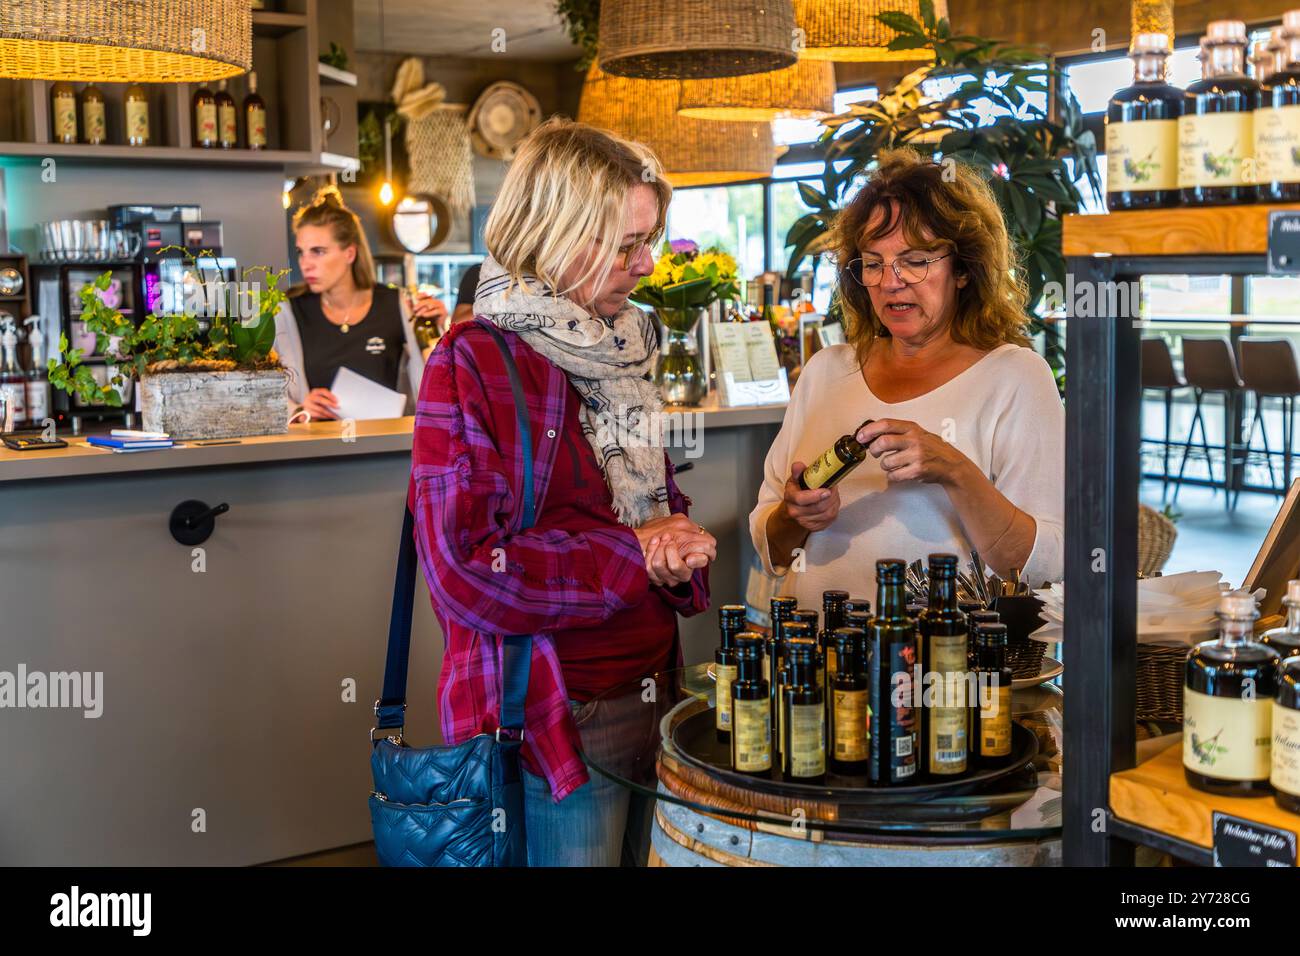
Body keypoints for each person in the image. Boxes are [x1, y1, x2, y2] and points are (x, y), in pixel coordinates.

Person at [409, 117, 717, 866]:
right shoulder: (472, 361)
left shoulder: (619, 351)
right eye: (625, 245)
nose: (646, 264)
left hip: (660, 692)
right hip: (555, 715)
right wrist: (634, 554)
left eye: (650, 240)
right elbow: (465, 570)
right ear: (554, 233)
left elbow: (651, 509)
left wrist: (675, 546)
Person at [750, 148, 1064, 608]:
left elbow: (1044, 567)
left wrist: (954, 471)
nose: (891, 282)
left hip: (946, 668)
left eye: (915, 260)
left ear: (962, 270)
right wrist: (796, 516)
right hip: (816, 656)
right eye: (873, 263)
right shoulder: (826, 370)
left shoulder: (1014, 376)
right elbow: (771, 549)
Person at [273, 187, 447, 421]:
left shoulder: (397, 305)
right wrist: (299, 410)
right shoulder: (289, 311)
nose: (306, 263)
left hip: (385, 449)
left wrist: (442, 331)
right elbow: (261, 393)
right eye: (301, 252)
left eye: (318, 252)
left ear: (350, 253)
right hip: (316, 449)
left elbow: (437, 382)